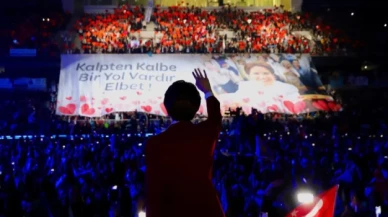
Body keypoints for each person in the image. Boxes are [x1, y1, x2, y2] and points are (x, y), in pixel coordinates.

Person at [145, 69, 224, 217]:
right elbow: (215, 117)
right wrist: (207, 90)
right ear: (195, 109)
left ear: (167, 107)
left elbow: (154, 192)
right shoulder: (205, 134)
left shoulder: (155, 144)